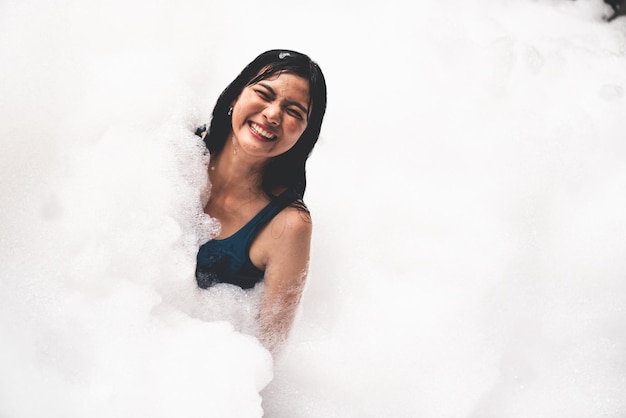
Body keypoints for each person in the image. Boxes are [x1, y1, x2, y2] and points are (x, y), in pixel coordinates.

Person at [194, 49, 327, 354]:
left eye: (294, 111)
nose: (272, 114)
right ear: (234, 97)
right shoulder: (177, 150)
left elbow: (269, 351)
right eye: (264, 94)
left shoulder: (288, 225)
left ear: (305, 135)